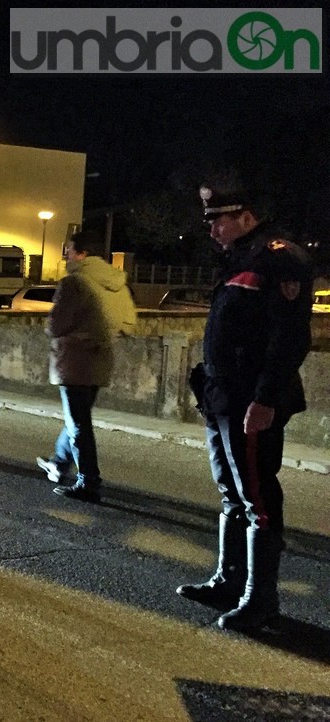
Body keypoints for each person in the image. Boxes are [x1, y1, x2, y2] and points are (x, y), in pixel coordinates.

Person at [176, 183, 312, 633]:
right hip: (224, 396)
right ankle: (228, 581)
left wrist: (266, 399)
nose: (212, 229)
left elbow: (289, 337)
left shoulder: (277, 259)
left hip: (252, 399)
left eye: (220, 219)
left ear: (248, 217)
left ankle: (260, 599)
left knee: (259, 496)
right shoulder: (241, 259)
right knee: (231, 492)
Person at [36, 228, 138, 503]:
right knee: (77, 417)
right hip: (101, 360)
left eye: (69, 250)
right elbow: (129, 323)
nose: (66, 255)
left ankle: (88, 481)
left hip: (73, 361)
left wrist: (75, 332)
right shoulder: (117, 283)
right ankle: (59, 462)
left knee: (79, 423)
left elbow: (56, 325)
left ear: (81, 253)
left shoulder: (74, 283)